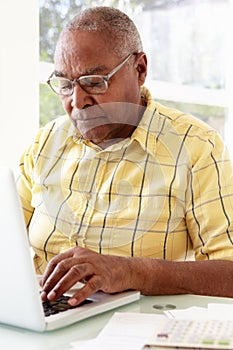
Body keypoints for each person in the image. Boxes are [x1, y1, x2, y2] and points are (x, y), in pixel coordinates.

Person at [17, 6, 233, 306]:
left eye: (94, 81)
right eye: (66, 85)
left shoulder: (197, 147)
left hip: (141, 331)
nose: (77, 102)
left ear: (140, 69)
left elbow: (229, 273)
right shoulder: (44, 145)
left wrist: (130, 271)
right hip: (47, 323)